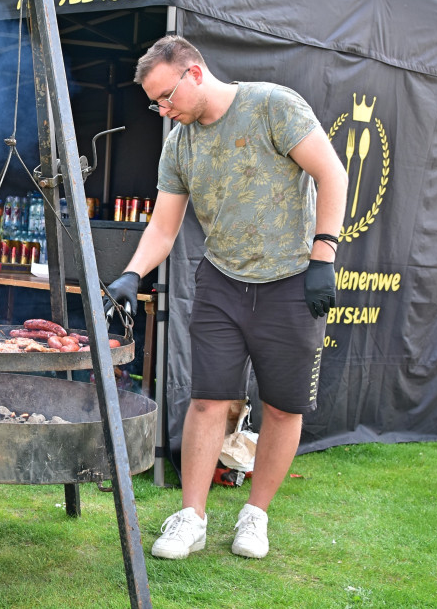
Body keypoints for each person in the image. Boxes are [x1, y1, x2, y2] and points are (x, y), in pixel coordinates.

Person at [104, 36, 348, 560]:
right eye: (155, 104)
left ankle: (255, 517)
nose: (163, 110)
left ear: (194, 73)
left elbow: (332, 173)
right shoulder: (179, 143)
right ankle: (191, 516)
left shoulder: (272, 106)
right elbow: (164, 228)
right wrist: (131, 274)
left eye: (166, 97)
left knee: (282, 407)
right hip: (220, 280)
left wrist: (323, 256)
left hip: (291, 279)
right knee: (209, 398)